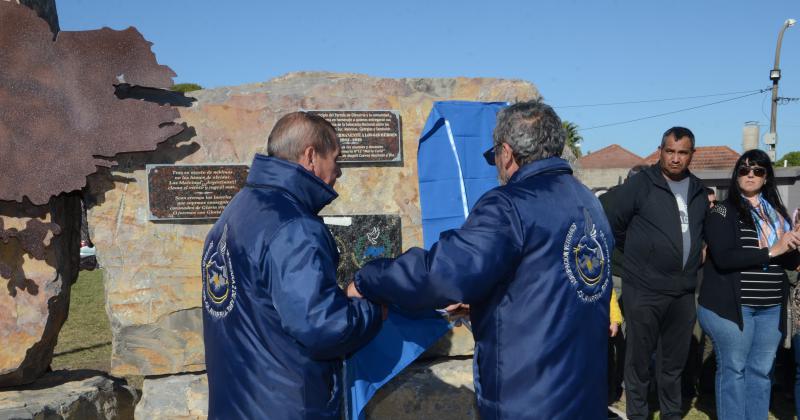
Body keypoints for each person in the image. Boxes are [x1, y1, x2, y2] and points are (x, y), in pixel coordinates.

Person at [348, 100, 613, 419]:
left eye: (494, 158)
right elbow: (549, 285)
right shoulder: (587, 201)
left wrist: (368, 278)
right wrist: (485, 305)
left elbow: (442, 274)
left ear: (507, 152)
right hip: (583, 393)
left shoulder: (511, 205)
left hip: (530, 399)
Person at [201, 112, 384, 419]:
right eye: (336, 159)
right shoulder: (293, 226)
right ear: (311, 155)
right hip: (287, 406)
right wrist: (374, 310)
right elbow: (320, 326)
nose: (339, 171)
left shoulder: (237, 210)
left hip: (237, 404)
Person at [603, 127, 708, 420]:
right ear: (660, 150)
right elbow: (615, 226)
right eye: (670, 151)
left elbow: (699, 232)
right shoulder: (640, 185)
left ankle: (671, 414)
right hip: (644, 289)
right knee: (638, 364)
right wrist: (643, 255)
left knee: (673, 365)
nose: (675, 159)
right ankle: (638, 415)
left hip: (683, 292)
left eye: (682, 152)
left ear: (692, 155)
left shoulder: (698, 190)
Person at [697, 149, 800, 419]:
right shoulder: (721, 210)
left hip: (770, 308)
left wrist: (795, 243)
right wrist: (770, 251)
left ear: (766, 177)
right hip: (733, 307)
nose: (750, 175)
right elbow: (723, 256)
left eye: (758, 170)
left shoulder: (776, 214)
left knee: (762, 371)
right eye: (744, 170)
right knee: (734, 369)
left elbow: (789, 264)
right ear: (736, 176)